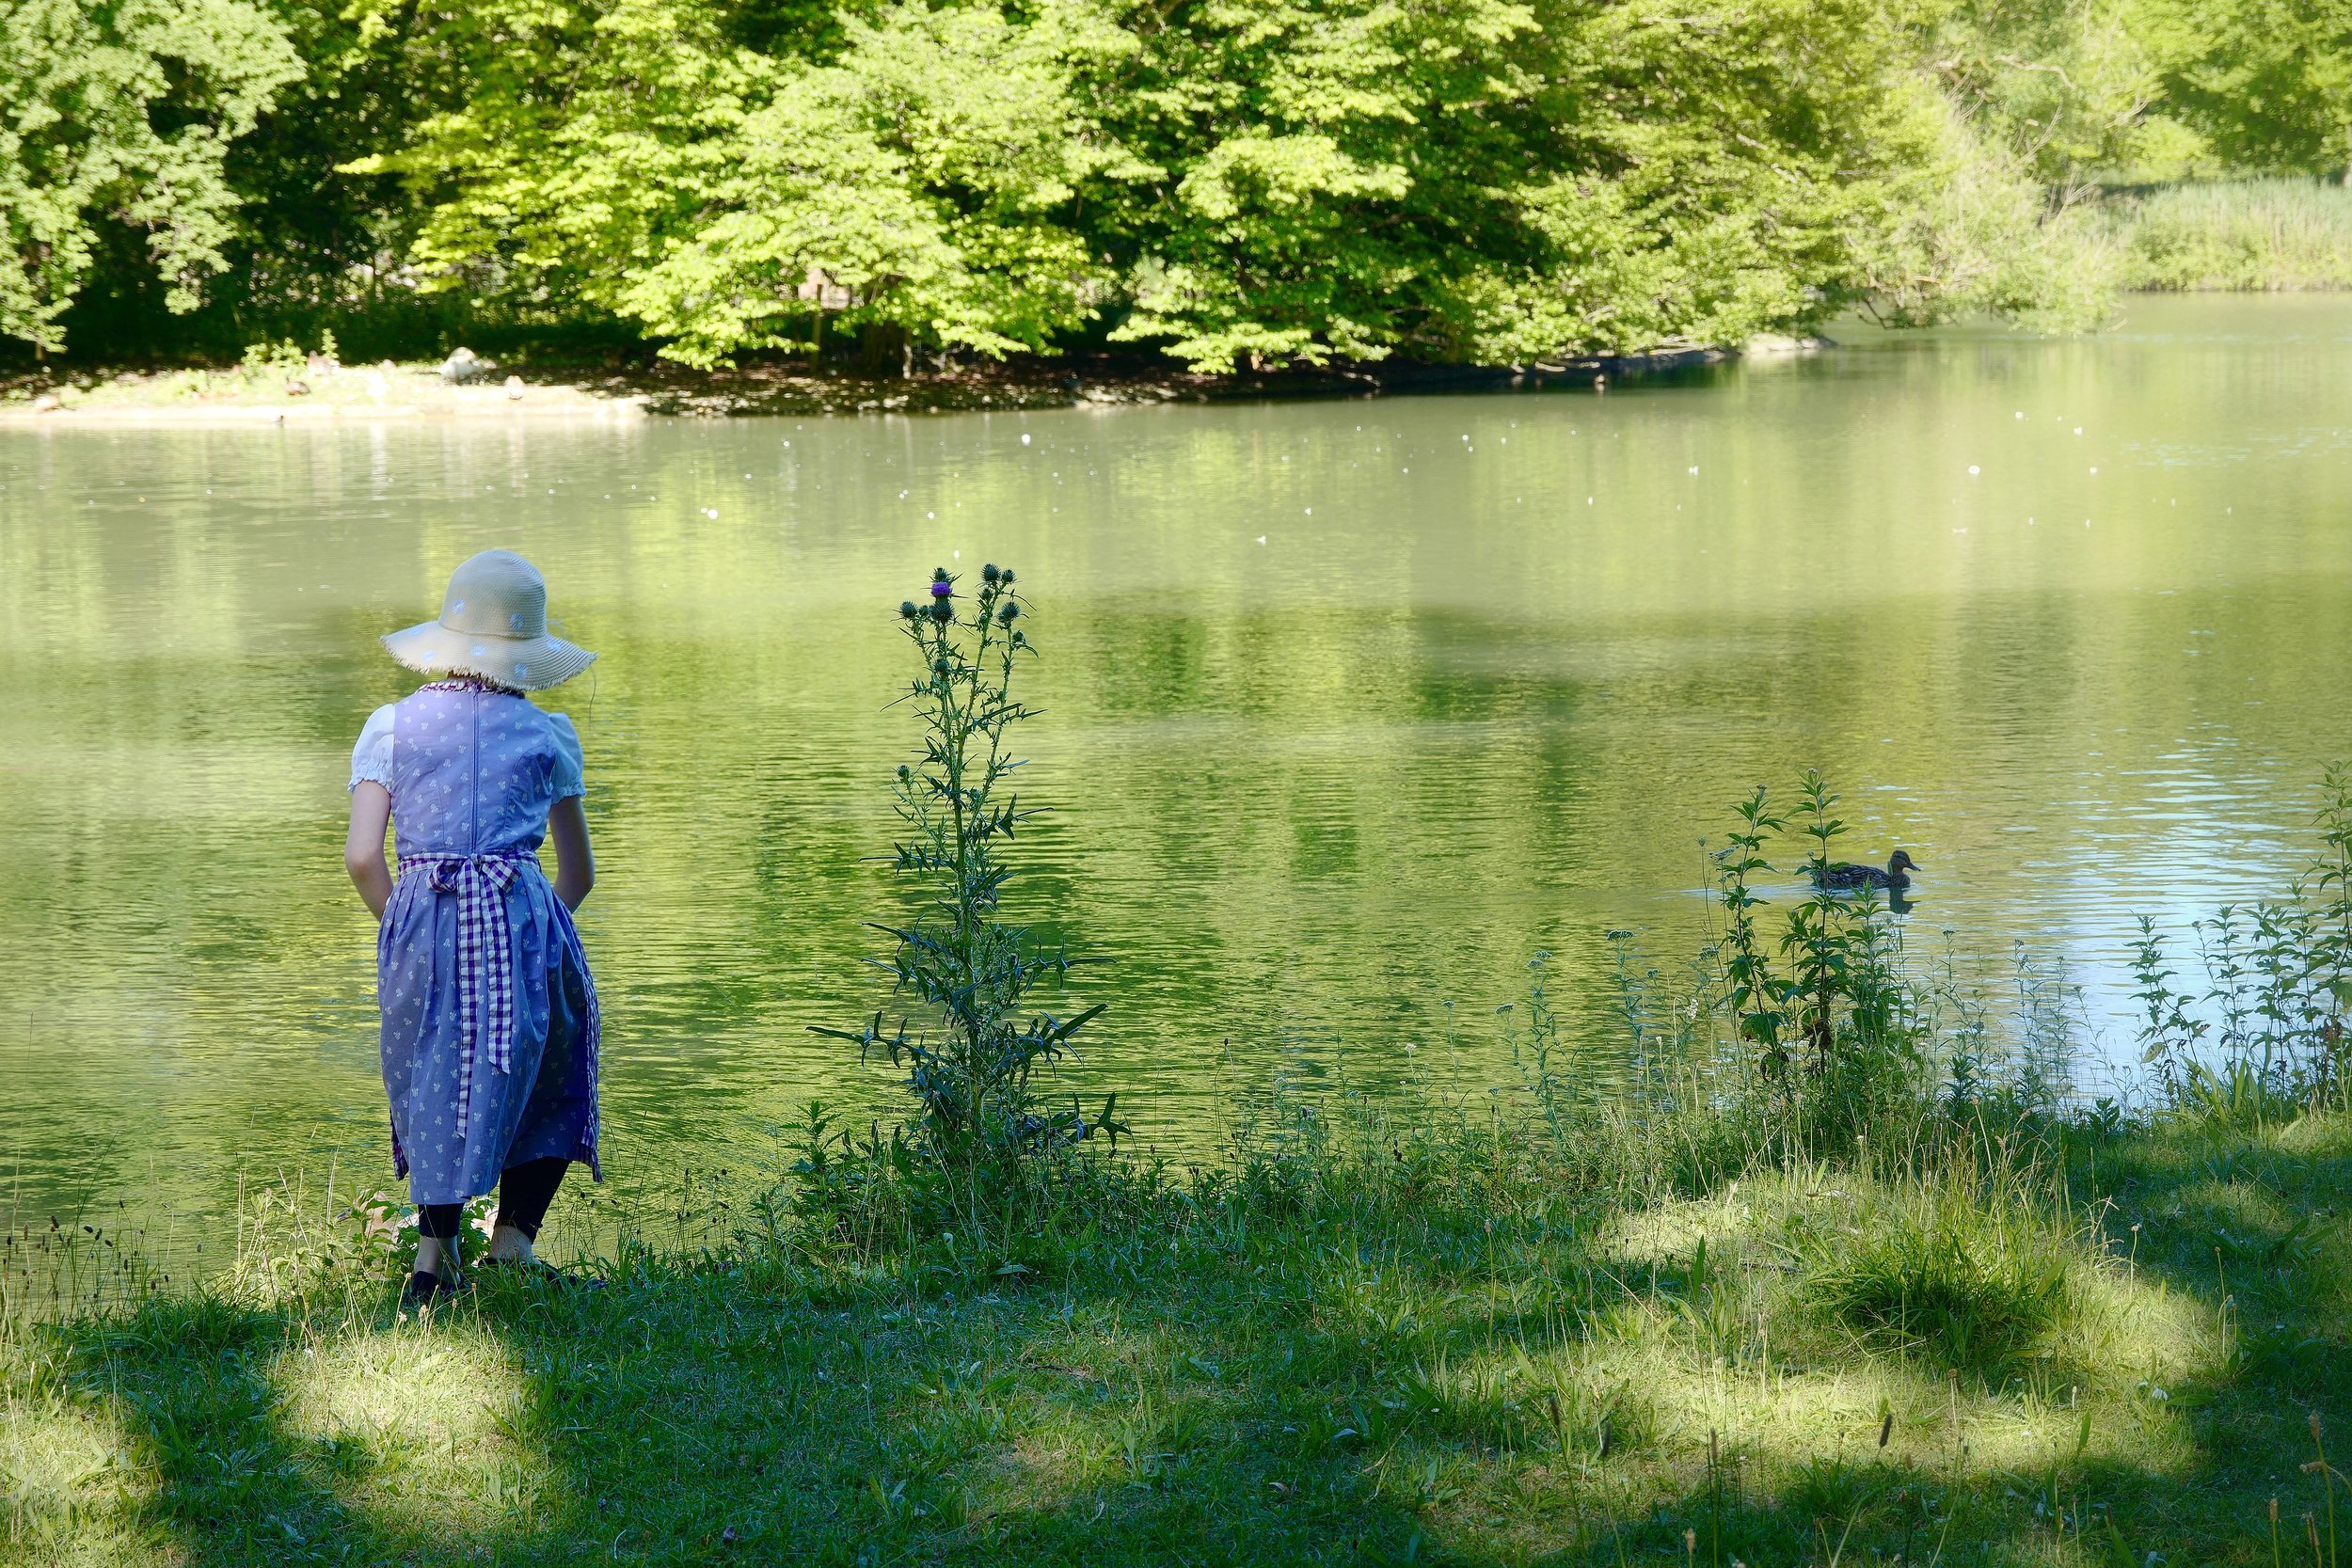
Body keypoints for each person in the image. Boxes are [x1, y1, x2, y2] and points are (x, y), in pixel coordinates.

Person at [343, 549, 602, 1307]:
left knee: (432, 1068)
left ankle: (434, 1257)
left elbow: (362, 856)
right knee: (547, 1057)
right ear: (527, 654)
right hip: (520, 916)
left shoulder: (391, 727)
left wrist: (407, 927)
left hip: (423, 917)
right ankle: (515, 1243)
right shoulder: (548, 734)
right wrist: (530, 935)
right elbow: (579, 872)